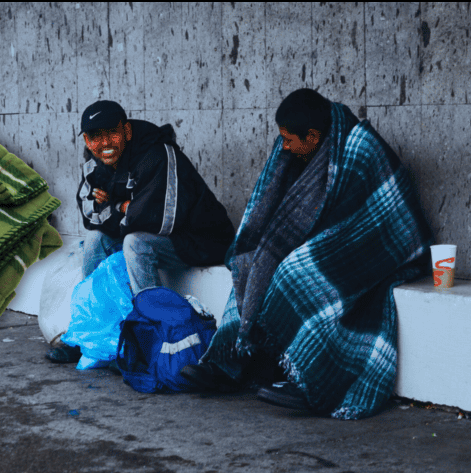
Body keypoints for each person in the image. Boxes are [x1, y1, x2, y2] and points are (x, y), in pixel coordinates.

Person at [181, 88, 434, 419]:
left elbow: (381, 219)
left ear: (313, 136)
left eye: (289, 140)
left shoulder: (360, 148)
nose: (283, 146)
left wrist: (311, 248)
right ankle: (229, 362)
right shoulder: (293, 152)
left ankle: (311, 382)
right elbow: (267, 208)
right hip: (327, 241)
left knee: (295, 272)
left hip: (375, 248)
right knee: (250, 264)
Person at [46, 100, 235, 364]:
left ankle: (151, 341)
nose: (104, 143)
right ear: (87, 141)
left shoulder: (157, 153)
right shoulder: (94, 162)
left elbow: (160, 221)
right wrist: (124, 208)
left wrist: (116, 207)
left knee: (136, 243)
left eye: (111, 132)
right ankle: (90, 336)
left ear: (127, 131)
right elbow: (90, 215)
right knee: (95, 240)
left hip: (200, 239)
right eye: (95, 137)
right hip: (153, 236)